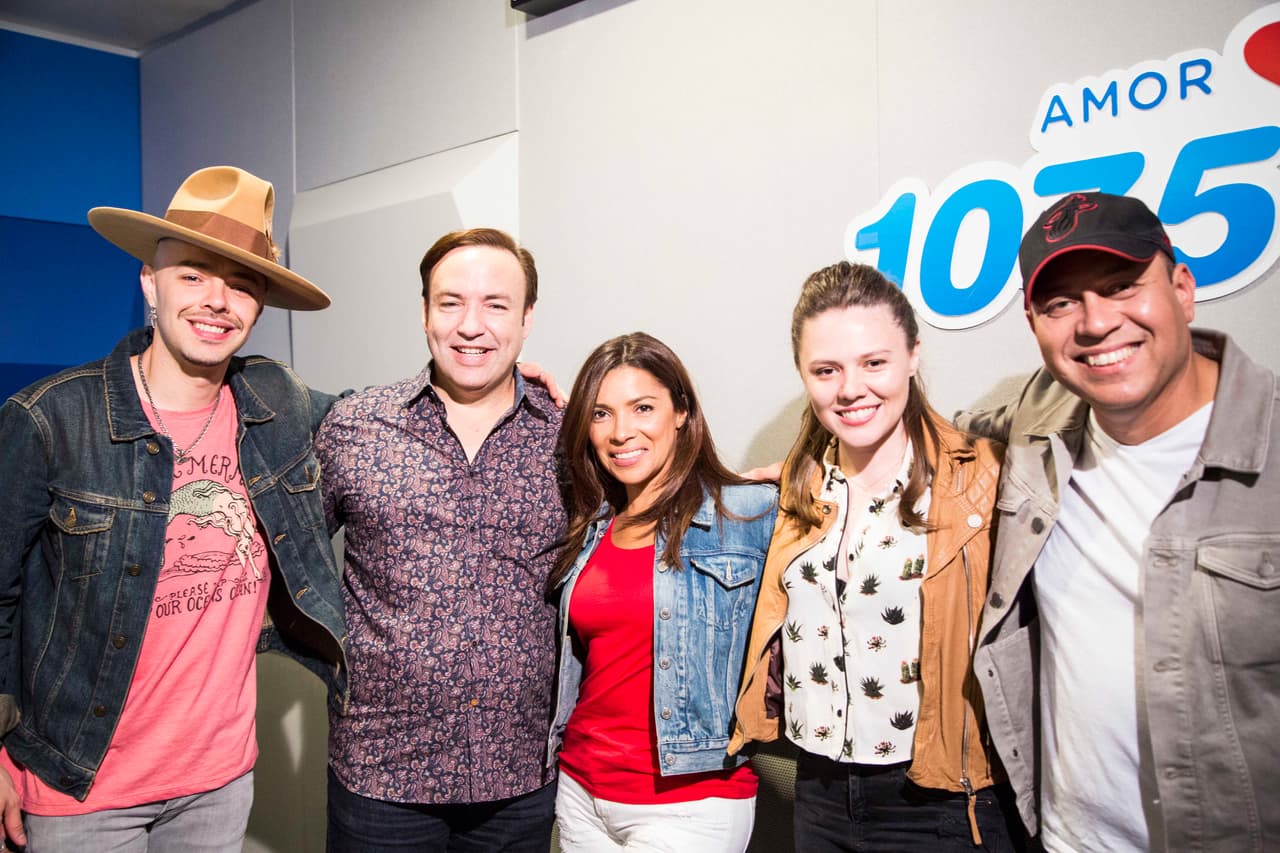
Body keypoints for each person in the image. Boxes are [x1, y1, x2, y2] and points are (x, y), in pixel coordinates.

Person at [0, 166, 347, 850]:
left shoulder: (276, 400)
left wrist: (503, 384)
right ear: (149, 283)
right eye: (192, 274)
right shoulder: (49, 421)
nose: (218, 300)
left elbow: (379, 421)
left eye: (243, 283)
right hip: (80, 787)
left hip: (218, 782)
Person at [961, 192, 1280, 852]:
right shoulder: (1036, 419)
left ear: (1183, 289)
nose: (1095, 323)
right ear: (1033, 322)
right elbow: (929, 445)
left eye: (1120, 286)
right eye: (1060, 303)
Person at [730, 262, 1021, 851]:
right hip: (818, 791)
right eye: (826, 370)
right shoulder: (798, 492)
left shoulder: (979, 480)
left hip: (938, 799)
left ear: (914, 354)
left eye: (874, 362)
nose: (850, 389)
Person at [316, 228, 565, 852]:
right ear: (424, 312)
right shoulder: (355, 427)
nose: (470, 325)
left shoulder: (571, 438)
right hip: (380, 774)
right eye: (450, 302)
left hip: (521, 778)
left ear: (527, 318)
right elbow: (276, 558)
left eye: (495, 305)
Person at [546, 332, 777, 852]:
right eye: (601, 413)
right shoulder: (592, 528)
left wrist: (812, 477)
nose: (622, 431)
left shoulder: (746, 514)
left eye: (643, 407)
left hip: (690, 802)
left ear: (681, 411)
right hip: (581, 790)